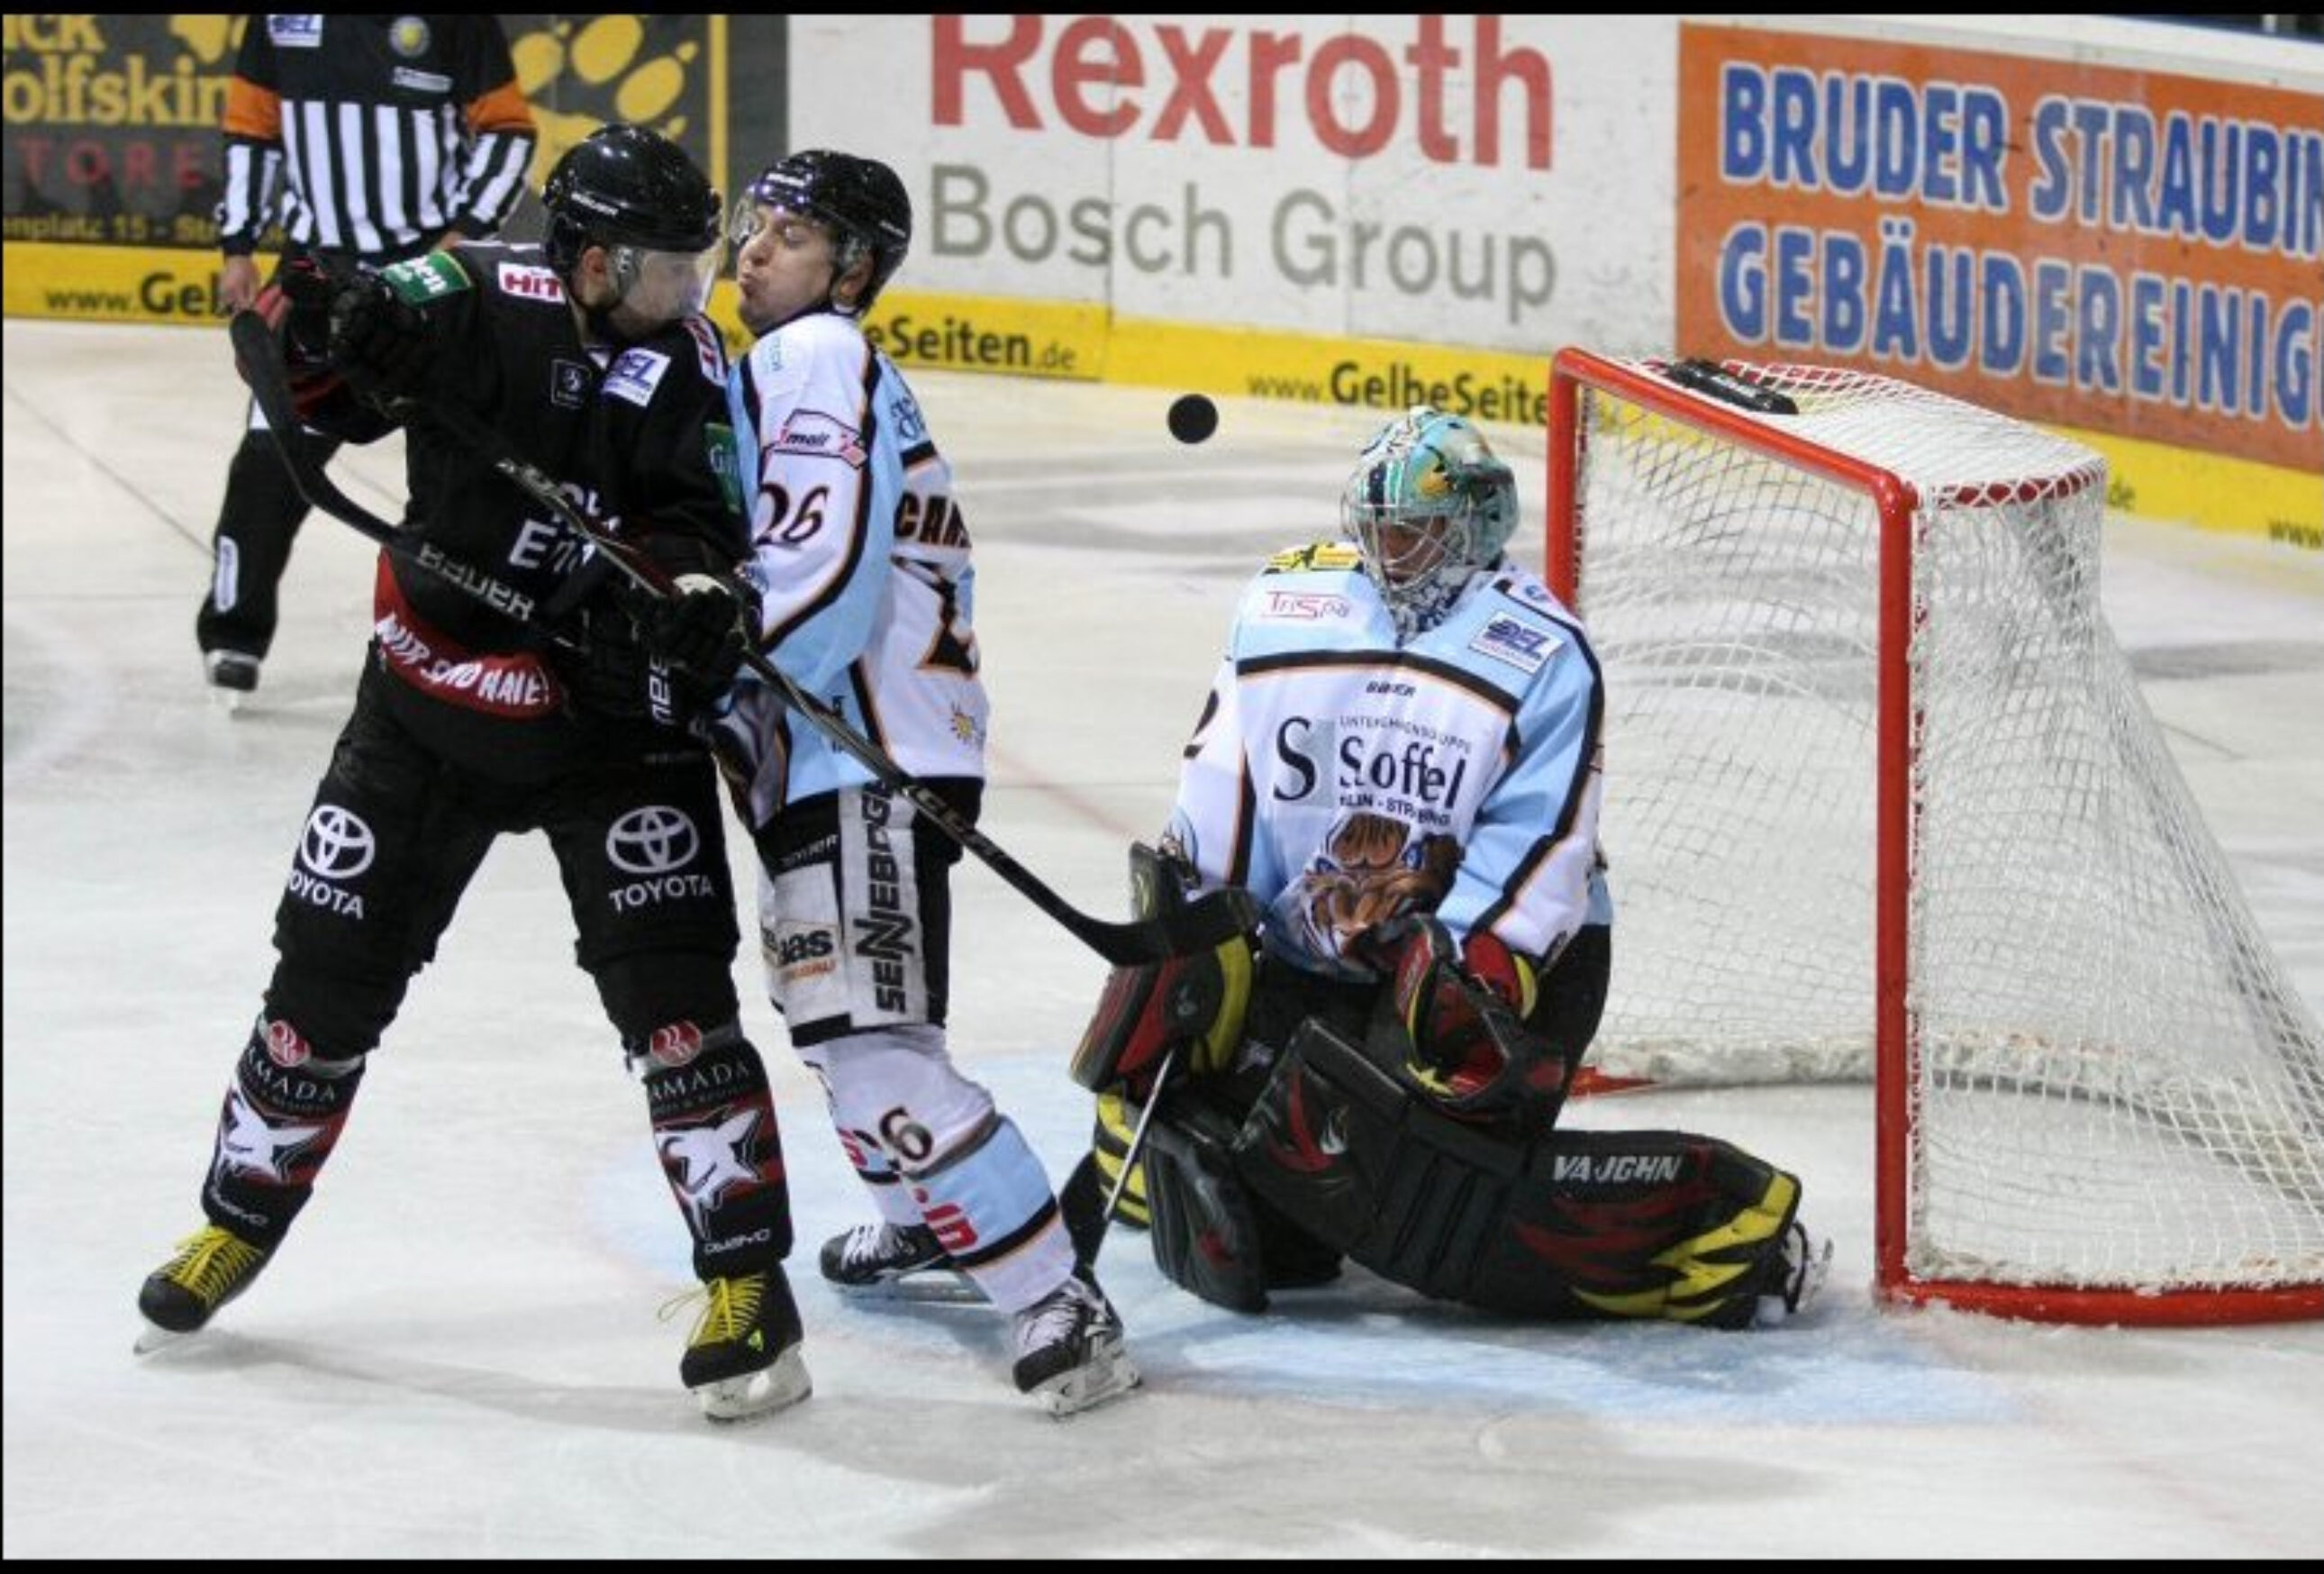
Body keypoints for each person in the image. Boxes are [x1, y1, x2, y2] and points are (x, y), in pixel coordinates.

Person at [137, 125, 811, 1424]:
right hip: (427, 708)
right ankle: (236, 1220)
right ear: (592, 259)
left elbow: (703, 525)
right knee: (322, 982)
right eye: (666, 267)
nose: (692, 291)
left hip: (607, 727)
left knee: (678, 1004)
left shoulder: (688, 358)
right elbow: (314, 381)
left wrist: (692, 598)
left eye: (696, 265)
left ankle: (747, 1283)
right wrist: (333, 328)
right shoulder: (471, 289)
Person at [1066, 406, 1832, 1328]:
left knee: (1388, 1188)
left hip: (1490, 978)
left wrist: (1470, 976)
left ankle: (1716, 1226)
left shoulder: (1540, 651)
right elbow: (1224, 786)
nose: (1391, 552)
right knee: (1266, 1206)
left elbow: (1542, 842)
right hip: (1318, 955)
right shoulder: (1283, 610)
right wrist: (1192, 935)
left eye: (1416, 531)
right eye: (1378, 529)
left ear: (1476, 525)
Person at [711, 149, 1138, 1415]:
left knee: (871, 1042)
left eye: (792, 235)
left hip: (856, 749)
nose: (755, 249)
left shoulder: (811, 356)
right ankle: (931, 1216)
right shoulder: (837, 367)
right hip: (869, 746)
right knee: (840, 1024)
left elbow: (823, 572)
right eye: (755, 224)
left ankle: (1055, 1294)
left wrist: (720, 680)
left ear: (852, 269)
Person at [196, 14, 537, 694]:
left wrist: (466, 234)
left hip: (431, 275)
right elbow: (252, 130)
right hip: (315, 279)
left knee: (468, 469)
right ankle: (234, 632)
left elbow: (508, 130)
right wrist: (238, 244)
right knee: (271, 458)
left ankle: (485, 638)